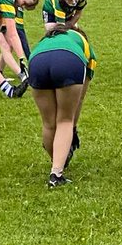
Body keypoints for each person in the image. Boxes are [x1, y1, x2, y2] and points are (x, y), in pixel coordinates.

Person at [28, 25, 97, 187]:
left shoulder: (45, 40)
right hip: (68, 59)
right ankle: (56, 172)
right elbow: (79, 99)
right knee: (65, 120)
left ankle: (57, 160)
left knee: (48, 123)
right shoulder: (83, 43)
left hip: (36, 60)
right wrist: (73, 126)